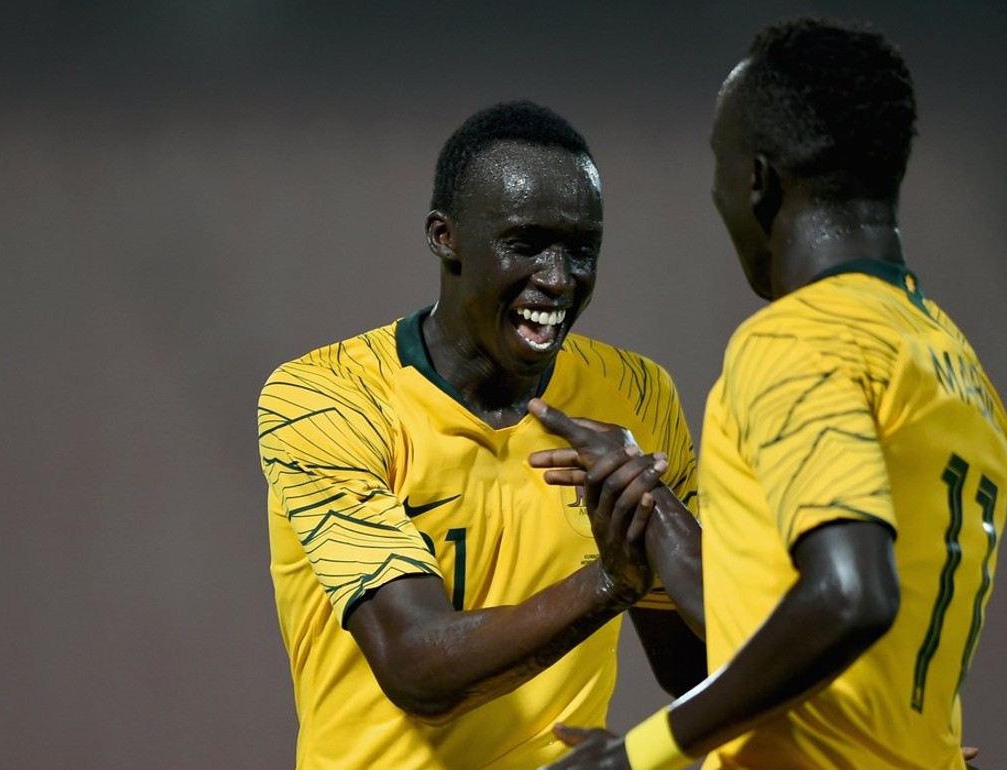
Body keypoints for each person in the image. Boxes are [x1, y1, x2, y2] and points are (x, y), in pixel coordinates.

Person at [530, 16, 1007, 770]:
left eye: (718, 165)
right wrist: (649, 503)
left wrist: (638, 752)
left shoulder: (796, 342)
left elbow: (851, 596)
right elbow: (782, 624)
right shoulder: (950, 363)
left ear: (757, 180)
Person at [255, 100, 705, 770]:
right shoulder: (326, 399)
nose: (557, 280)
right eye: (525, 245)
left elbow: (694, 666)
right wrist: (610, 582)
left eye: (582, 250)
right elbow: (417, 669)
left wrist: (661, 517)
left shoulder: (637, 395)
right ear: (445, 236)